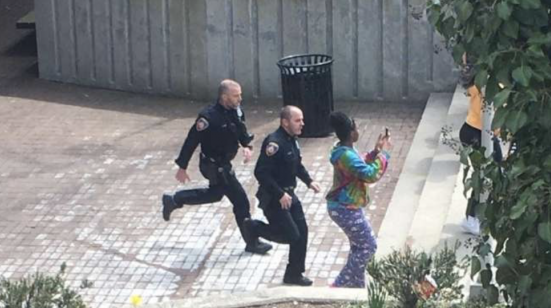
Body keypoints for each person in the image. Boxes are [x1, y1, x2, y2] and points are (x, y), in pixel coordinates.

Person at [162, 79, 272, 255]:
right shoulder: (208, 117)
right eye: (236, 96)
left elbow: (241, 131)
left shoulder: (236, 111)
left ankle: (175, 200)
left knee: (215, 194)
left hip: (224, 162)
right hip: (212, 164)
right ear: (224, 97)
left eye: (240, 95)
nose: (240, 99)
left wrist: (247, 147)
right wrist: (182, 166)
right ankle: (252, 242)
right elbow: (192, 140)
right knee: (241, 201)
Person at [242, 106, 321, 286]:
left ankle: (294, 273)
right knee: (291, 235)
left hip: (289, 194)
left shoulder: (292, 140)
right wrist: (279, 194)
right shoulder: (274, 144)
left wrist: (309, 181)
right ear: (285, 122)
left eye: (302, 120)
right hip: (274, 198)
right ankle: (254, 227)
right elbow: (260, 172)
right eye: (297, 120)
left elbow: (296, 165)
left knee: (302, 233)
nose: (302, 124)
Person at [326, 112, 391, 288]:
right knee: (368, 246)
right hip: (344, 208)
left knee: (358, 246)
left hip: (347, 207)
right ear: (351, 132)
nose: (358, 131)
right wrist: (383, 155)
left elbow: (360, 163)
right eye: (357, 128)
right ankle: (340, 284)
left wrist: (375, 151)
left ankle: (355, 285)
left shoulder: (345, 150)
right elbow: (369, 174)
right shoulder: (345, 155)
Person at [459, 57, 502, 235]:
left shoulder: (500, 83)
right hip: (475, 132)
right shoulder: (487, 84)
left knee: (495, 171)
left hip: (485, 133)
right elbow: (470, 87)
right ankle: (471, 218)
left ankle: (480, 215)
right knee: (483, 175)